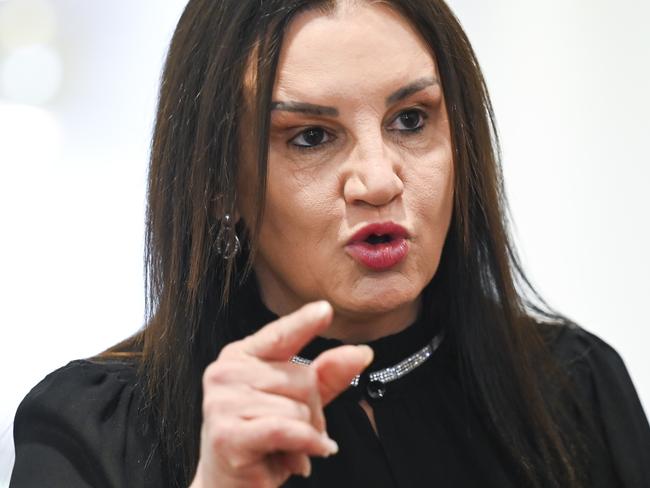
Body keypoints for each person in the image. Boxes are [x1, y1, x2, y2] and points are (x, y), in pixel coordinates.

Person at [10, 0, 650, 487]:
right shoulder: (95, 430)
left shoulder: (574, 387)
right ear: (217, 186)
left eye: (411, 120)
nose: (378, 179)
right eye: (310, 137)